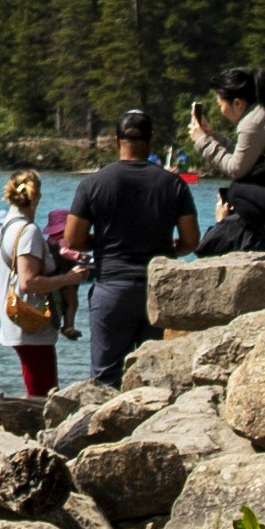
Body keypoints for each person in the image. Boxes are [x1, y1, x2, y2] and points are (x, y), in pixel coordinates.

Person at [69, 109, 196, 384]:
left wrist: (102, 241)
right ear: (150, 144)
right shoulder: (174, 184)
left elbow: (73, 239)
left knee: (104, 379)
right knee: (158, 378)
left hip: (112, 286)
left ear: (117, 142)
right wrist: (165, 249)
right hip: (158, 291)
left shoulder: (93, 183)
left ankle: (104, 424)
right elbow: (191, 240)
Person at [0, 164, 73, 402]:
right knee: (43, 391)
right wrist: (69, 278)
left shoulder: (5, 227)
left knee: (36, 382)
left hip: (18, 320)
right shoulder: (28, 231)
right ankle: (40, 429)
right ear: (36, 197)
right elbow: (29, 282)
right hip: (31, 322)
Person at [202, 74, 265, 257]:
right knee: (239, 189)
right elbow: (247, 155)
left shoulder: (254, 121)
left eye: (220, 105)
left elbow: (237, 168)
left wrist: (222, 221)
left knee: (237, 190)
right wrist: (212, 135)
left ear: (237, 103)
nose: (221, 110)